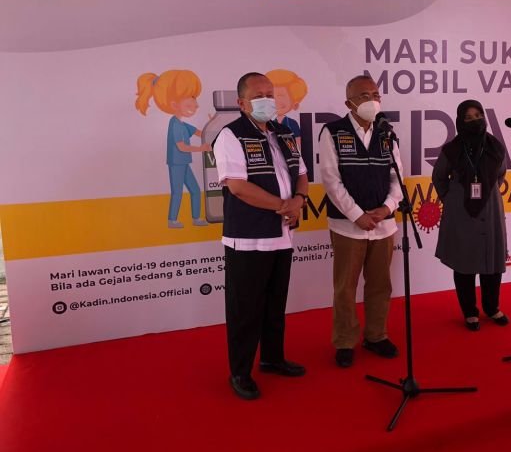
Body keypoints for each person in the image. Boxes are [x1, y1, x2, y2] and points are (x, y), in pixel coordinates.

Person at [212, 72, 309, 400]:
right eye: (258, 96)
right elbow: (238, 187)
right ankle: (240, 372)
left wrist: (299, 200)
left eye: (270, 93)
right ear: (242, 103)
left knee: (274, 303)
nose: (267, 100)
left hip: (282, 234)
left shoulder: (284, 132)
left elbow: (302, 173)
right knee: (245, 309)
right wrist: (284, 205)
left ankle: (272, 358)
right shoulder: (231, 135)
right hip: (248, 237)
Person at [318, 75, 402, 368]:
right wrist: (357, 215)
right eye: (364, 96)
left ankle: (376, 336)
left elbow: (397, 177)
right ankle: (344, 340)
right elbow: (331, 180)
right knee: (345, 287)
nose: (372, 100)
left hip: (383, 224)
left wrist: (387, 208)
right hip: (347, 226)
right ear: (349, 103)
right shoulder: (333, 131)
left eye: (375, 94)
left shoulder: (386, 133)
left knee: (381, 285)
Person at [432, 100, 509, 331]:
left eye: (478, 115)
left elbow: (500, 174)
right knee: (464, 263)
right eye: (468, 117)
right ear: (460, 121)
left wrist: (486, 192)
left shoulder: (495, 146)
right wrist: (452, 199)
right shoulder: (452, 150)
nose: (475, 121)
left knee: (492, 262)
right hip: (461, 212)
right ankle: (469, 312)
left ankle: (492, 307)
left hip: (491, 209)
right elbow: (439, 178)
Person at [135, 69, 210, 229]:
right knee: (177, 192)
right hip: (176, 163)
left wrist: (212, 125)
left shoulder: (183, 124)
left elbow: (200, 133)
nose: (195, 107)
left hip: (184, 163)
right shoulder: (174, 124)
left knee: (195, 190)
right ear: (175, 105)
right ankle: (172, 220)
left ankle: (196, 218)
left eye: (195, 103)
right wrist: (201, 149)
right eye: (189, 104)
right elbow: (182, 147)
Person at [266, 69, 307, 148]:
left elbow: (297, 146)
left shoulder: (292, 123)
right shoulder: (265, 123)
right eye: (271, 95)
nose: (276, 100)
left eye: (280, 95)